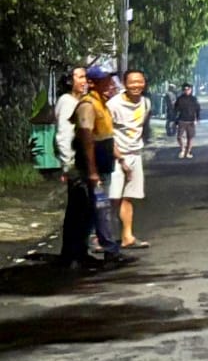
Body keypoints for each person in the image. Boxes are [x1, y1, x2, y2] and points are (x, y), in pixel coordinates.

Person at [75, 67, 135, 266]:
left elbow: (107, 137)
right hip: (94, 169)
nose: (110, 85)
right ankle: (109, 250)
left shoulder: (102, 104)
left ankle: (83, 252)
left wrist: (120, 159)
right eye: (105, 81)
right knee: (101, 209)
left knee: (94, 210)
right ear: (92, 83)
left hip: (103, 166)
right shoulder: (88, 105)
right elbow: (87, 139)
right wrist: (92, 171)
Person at [108, 69, 151, 249]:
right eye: (132, 82)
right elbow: (106, 134)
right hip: (116, 156)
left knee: (128, 197)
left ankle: (127, 236)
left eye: (139, 81)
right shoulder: (113, 105)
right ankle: (102, 238)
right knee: (113, 198)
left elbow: (141, 127)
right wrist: (120, 159)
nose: (136, 85)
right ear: (125, 84)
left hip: (135, 154)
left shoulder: (146, 103)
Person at [55, 67, 92, 267]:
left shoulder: (82, 101)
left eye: (85, 76)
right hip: (75, 164)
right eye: (80, 77)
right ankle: (70, 254)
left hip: (84, 162)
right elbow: (63, 135)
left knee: (85, 209)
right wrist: (67, 164)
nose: (84, 80)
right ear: (70, 81)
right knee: (76, 209)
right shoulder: (67, 102)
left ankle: (80, 251)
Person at [172, 83, 201, 157]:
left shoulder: (193, 99)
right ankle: (182, 149)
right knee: (179, 137)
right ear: (183, 90)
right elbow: (175, 109)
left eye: (188, 89)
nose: (186, 91)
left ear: (190, 90)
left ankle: (188, 152)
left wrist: (197, 119)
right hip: (182, 120)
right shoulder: (180, 99)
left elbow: (197, 109)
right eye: (185, 89)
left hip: (191, 121)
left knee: (190, 137)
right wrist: (175, 120)